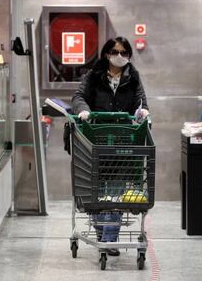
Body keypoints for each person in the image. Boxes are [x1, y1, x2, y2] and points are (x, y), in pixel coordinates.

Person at [72, 36, 149, 256]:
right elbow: (78, 96)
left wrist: (142, 112)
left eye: (124, 52)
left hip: (122, 141)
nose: (119, 56)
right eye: (115, 52)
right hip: (95, 139)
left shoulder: (133, 77)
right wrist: (83, 110)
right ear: (107, 53)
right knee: (96, 189)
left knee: (115, 190)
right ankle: (101, 229)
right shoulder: (93, 76)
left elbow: (141, 101)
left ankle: (109, 238)